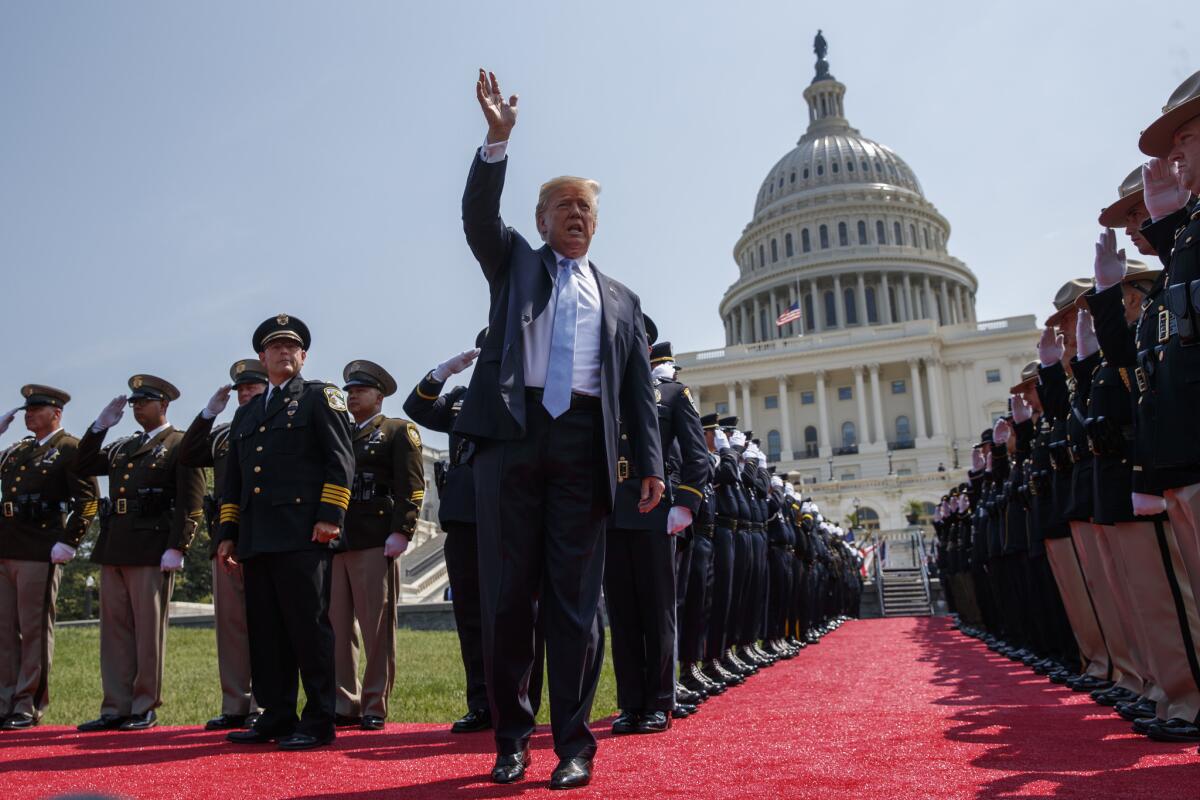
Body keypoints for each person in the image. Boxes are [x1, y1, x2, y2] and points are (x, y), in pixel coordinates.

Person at [458, 70, 664, 789]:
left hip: (583, 447)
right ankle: (511, 738)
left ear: (596, 223)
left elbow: (637, 392)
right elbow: (480, 219)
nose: (575, 215)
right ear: (541, 220)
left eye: (585, 208)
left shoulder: (623, 300)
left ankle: (574, 744)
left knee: (576, 606)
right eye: (562, 206)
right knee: (510, 599)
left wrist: (651, 467)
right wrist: (496, 141)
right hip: (514, 438)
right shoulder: (513, 262)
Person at [216, 314, 355, 751]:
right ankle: (276, 715)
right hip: (258, 538)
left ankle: (318, 720)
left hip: (303, 535)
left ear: (303, 355)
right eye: (275, 347)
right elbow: (233, 481)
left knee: (308, 629)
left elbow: (341, 460)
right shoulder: (248, 412)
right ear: (262, 357)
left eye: (291, 347)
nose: (283, 353)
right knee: (267, 632)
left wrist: (330, 515)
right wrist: (228, 533)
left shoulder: (318, 398)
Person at [74, 375, 206, 732]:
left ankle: (144, 705)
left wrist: (179, 546)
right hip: (114, 546)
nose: (136, 408)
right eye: (133, 403)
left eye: (143, 402)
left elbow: (190, 500)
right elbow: (82, 464)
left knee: (148, 633)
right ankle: (115, 706)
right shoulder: (121, 447)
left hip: (152, 548)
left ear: (163, 405)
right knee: (114, 633)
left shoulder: (179, 444)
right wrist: (100, 426)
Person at [605, 338, 707, 735]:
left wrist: (685, 505)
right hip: (613, 515)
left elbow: (696, 454)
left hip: (656, 513)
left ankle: (660, 701)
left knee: (657, 611)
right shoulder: (605, 392)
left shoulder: (672, 393)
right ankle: (630, 703)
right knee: (623, 615)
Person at [332, 358, 425, 731]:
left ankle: (374, 703)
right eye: (350, 391)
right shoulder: (340, 433)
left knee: (376, 628)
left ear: (380, 395)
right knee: (337, 627)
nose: (353, 396)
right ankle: (344, 702)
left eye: (361, 390)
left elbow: (412, 487)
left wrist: (402, 531)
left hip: (376, 540)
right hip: (339, 541)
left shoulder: (398, 431)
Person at [0, 386, 99, 730]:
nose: (28, 415)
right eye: (27, 410)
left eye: (36, 409)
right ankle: (5, 700)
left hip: (40, 549)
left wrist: (69, 541)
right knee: (4, 632)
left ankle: (28, 704)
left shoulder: (69, 448)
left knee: (33, 631)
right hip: (7, 548)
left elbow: (87, 501)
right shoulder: (16, 451)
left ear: (55, 413)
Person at [178, 358, 268, 731]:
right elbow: (186, 455)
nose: (245, 394)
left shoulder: (280, 423)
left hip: (267, 534)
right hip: (227, 536)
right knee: (230, 626)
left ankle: (265, 705)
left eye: (252, 387)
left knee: (266, 624)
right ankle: (235, 703)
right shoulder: (222, 434)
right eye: (240, 390)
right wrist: (207, 414)